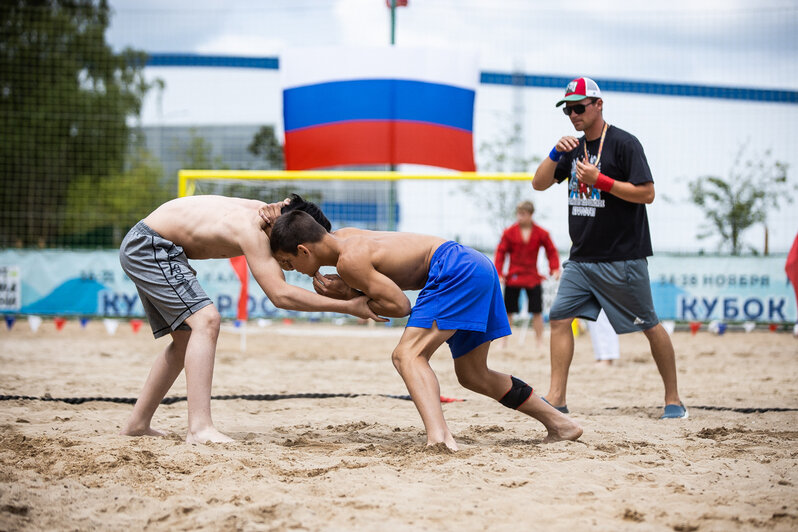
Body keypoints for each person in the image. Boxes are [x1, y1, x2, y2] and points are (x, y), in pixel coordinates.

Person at [267, 210, 583, 450]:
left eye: (288, 262)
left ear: (303, 250)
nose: (290, 270)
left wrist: (351, 297)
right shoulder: (346, 237)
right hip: (473, 265)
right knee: (473, 375)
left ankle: (440, 438)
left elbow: (400, 306)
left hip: (453, 270)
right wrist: (354, 291)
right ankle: (560, 424)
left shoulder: (349, 262)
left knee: (407, 355)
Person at [118, 194, 384, 444]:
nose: (289, 263)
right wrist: (349, 306)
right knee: (206, 320)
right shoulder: (253, 228)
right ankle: (199, 428)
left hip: (155, 244)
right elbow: (281, 296)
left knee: (185, 340)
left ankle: (137, 424)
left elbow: (290, 206)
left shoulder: (267, 214)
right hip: (151, 245)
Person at [531, 76, 687, 419]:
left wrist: (600, 182)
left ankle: (674, 399)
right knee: (559, 319)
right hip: (582, 258)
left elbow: (647, 193)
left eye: (579, 107)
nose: (573, 115)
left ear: (598, 105)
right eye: (568, 109)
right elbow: (539, 183)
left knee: (649, 324)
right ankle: (556, 398)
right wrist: (555, 152)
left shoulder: (624, 144)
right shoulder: (571, 149)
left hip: (623, 257)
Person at [494, 200, 561, 349]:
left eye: (523, 214)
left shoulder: (541, 233)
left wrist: (555, 268)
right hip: (514, 276)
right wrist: (498, 272)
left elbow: (551, 251)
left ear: (530, 215)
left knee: (537, 311)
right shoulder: (509, 232)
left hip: (532, 276)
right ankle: (503, 341)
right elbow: (500, 252)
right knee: (508, 311)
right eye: (518, 214)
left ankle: (539, 341)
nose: (519, 217)